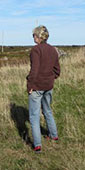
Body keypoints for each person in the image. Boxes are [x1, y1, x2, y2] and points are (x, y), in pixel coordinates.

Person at [26, 25, 61, 153]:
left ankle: (37, 145)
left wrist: (30, 86)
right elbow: (57, 70)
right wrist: (51, 78)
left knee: (34, 116)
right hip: (48, 86)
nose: (33, 37)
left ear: (39, 36)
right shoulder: (53, 50)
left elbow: (34, 70)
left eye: (34, 35)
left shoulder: (36, 50)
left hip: (37, 87)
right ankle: (54, 135)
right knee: (47, 110)